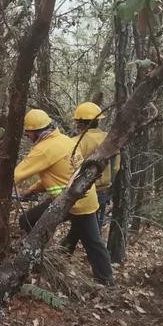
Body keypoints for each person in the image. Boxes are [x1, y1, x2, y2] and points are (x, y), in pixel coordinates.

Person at [0, 109, 115, 285]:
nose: (27, 135)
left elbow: (13, 176)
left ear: (35, 131)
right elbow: (57, 175)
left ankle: (38, 262)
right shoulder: (64, 140)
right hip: (79, 197)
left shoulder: (44, 149)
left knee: (87, 240)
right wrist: (32, 190)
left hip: (74, 203)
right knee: (87, 240)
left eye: (28, 132)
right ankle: (100, 278)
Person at [63, 102, 120, 246]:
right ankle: (66, 249)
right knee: (88, 225)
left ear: (79, 123)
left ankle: (68, 249)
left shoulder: (76, 142)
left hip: (83, 191)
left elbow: (70, 167)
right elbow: (116, 166)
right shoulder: (110, 138)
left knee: (85, 226)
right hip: (104, 189)